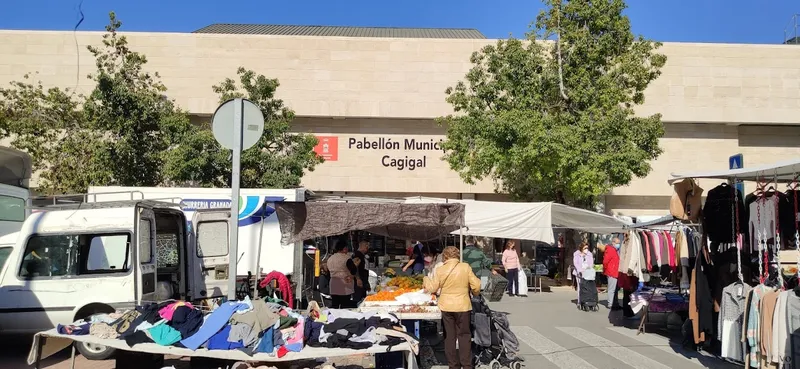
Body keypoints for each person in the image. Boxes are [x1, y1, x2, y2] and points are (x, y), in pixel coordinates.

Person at [423, 246, 480, 369]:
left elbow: (432, 288)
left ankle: (453, 366)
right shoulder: (465, 267)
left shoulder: (440, 270)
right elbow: (476, 285)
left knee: (449, 337)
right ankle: (467, 365)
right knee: (464, 336)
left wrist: (426, 278)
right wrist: (474, 292)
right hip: (463, 306)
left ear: (445, 256)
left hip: (446, 306)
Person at [326, 241, 359, 308]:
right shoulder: (346, 258)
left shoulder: (330, 258)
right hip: (344, 283)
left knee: (335, 304)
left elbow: (328, 270)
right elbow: (353, 270)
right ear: (344, 248)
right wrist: (356, 264)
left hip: (333, 283)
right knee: (345, 304)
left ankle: (334, 317)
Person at [598, 238, 621, 310]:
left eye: (619, 243)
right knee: (612, 289)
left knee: (616, 289)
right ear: (613, 243)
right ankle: (610, 304)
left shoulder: (615, 250)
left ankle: (615, 303)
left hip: (615, 272)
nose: (618, 245)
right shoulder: (610, 250)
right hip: (612, 272)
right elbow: (605, 261)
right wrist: (605, 269)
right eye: (617, 243)